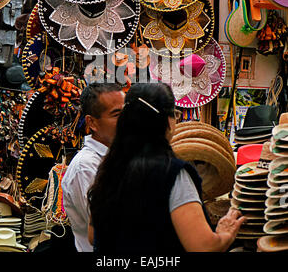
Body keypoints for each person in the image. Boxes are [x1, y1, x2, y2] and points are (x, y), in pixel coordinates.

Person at [88, 82, 246, 253]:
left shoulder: (109, 169)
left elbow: (93, 236)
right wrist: (225, 233)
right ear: (168, 121)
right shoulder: (172, 173)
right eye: (175, 115)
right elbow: (203, 247)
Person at [61, 82, 125, 252]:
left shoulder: (117, 158)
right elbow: (107, 231)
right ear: (92, 122)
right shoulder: (87, 167)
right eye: (117, 114)